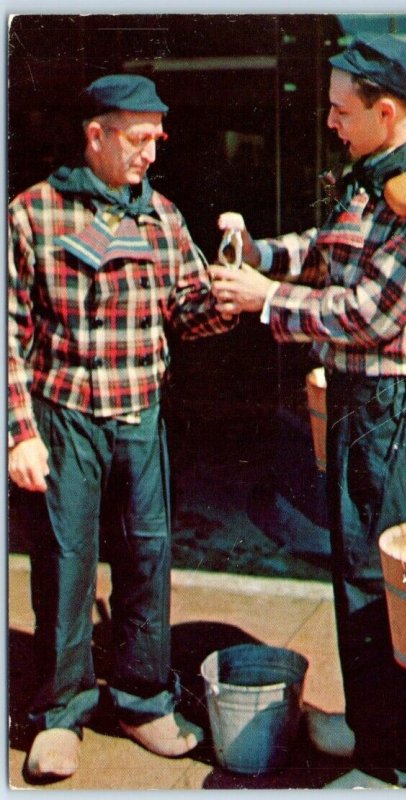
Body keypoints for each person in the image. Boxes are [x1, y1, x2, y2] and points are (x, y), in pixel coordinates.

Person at [210, 35, 406, 789]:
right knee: (356, 579)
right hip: (361, 408)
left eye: (339, 109)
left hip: (395, 412)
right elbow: (329, 253)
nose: (328, 120)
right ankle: (369, 731)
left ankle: (400, 768)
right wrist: (260, 255)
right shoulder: (372, 178)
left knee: (389, 589)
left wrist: (266, 304)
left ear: (385, 111)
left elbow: (370, 315)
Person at [8, 74, 236, 781]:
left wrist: (231, 291)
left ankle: (142, 700)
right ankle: (59, 715)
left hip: (140, 413)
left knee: (147, 557)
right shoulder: (31, 215)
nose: (149, 154)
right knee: (66, 565)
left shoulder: (162, 218)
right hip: (64, 416)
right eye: (138, 140)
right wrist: (19, 432)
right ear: (96, 135)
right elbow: (8, 333)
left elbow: (190, 312)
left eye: (155, 141)